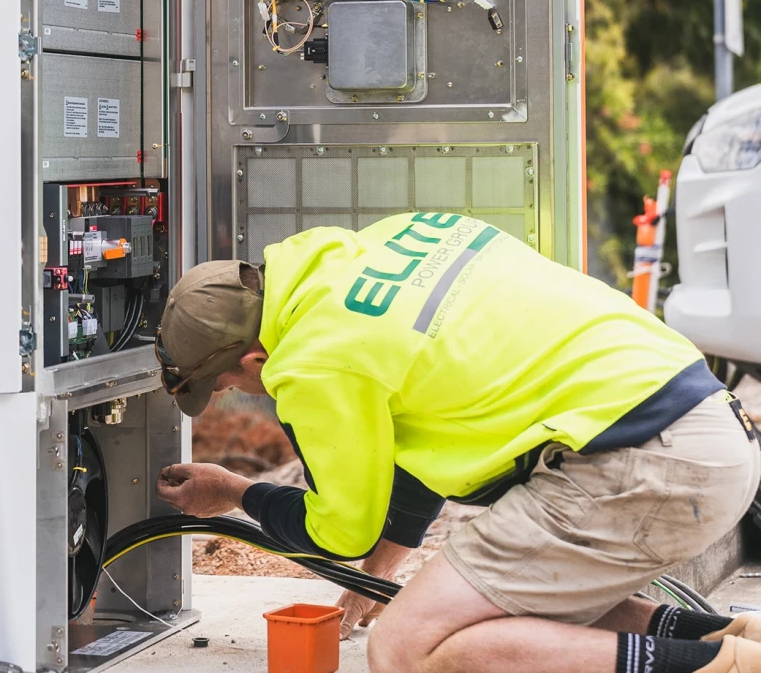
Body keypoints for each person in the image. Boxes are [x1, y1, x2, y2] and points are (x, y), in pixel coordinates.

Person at [154, 212, 761, 673]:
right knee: (489, 604)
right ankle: (721, 638)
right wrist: (375, 583)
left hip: (641, 461)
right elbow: (416, 458)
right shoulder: (393, 239)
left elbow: (339, 532)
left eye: (231, 383)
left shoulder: (314, 363)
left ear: (255, 357)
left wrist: (237, 492)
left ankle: (718, 669)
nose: (241, 392)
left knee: (407, 647)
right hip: (703, 424)